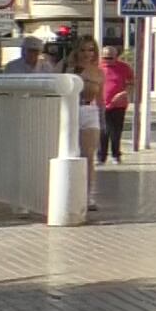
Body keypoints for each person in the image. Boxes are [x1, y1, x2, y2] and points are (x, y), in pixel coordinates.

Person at [63, 38, 104, 211]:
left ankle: (88, 197)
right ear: (77, 51)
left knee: (88, 156)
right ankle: (67, 192)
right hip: (69, 111)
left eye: (91, 50)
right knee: (69, 153)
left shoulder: (98, 72)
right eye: (83, 50)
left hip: (89, 111)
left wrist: (102, 118)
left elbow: (100, 98)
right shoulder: (66, 67)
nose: (87, 54)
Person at [100, 45, 135, 164]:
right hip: (101, 104)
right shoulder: (98, 67)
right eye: (105, 58)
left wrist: (124, 94)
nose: (107, 61)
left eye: (110, 58)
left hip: (118, 105)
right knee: (103, 131)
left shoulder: (124, 67)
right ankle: (101, 156)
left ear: (116, 57)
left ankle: (116, 154)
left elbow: (131, 83)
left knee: (116, 131)